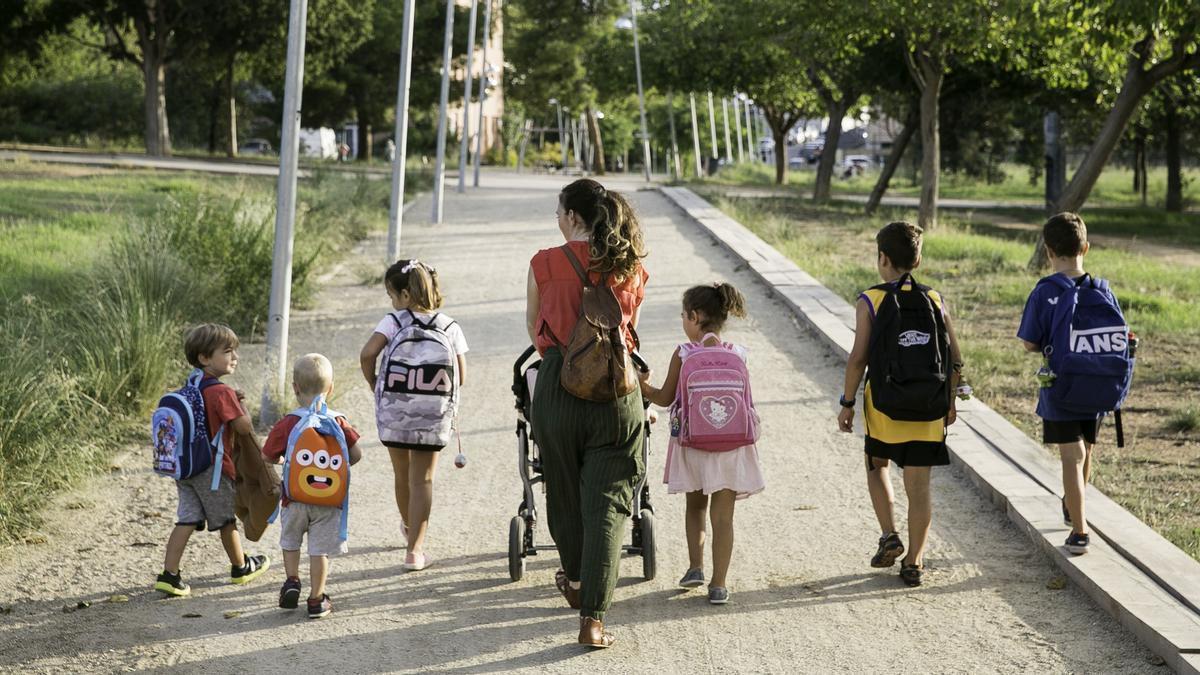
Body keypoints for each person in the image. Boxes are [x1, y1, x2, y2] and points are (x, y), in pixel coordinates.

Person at [524, 178, 648, 648]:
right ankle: (593, 620)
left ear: (573, 217)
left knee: (563, 492)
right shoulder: (629, 264)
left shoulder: (544, 263)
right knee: (609, 504)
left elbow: (533, 326)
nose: (556, 221)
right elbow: (630, 327)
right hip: (616, 391)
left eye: (559, 213)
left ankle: (574, 581)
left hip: (558, 387)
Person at [837, 222, 963, 587]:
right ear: (918, 259)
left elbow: (858, 359)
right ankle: (915, 561)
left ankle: (890, 533)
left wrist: (847, 403)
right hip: (927, 411)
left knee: (876, 465)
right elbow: (955, 358)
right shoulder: (935, 300)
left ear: (883, 259)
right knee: (919, 486)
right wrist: (950, 400)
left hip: (884, 408)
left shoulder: (871, 300)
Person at [639, 283, 765, 605]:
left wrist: (642, 387)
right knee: (724, 518)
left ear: (694, 317)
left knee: (695, 507)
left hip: (694, 444)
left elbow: (666, 398)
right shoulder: (738, 354)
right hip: (731, 445)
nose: (682, 320)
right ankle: (719, 584)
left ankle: (695, 567)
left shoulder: (684, 353)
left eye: (684, 315)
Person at [1018, 212, 1125, 556]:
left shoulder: (1044, 292)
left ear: (1048, 250)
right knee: (1086, 450)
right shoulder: (1103, 290)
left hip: (1061, 388)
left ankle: (1079, 532)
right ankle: (1072, 505)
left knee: (1070, 458)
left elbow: (1030, 342)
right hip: (1098, 384)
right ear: (1086, 248)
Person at [360, 259, 468, 572]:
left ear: (405, 295)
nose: (392, 302)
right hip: (432, 412)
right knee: (423, 479)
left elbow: (368, 354)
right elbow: (461, 375)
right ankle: (415, 551)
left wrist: (375, 383)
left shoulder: (393, 322)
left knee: (401, 473)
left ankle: (408, 526)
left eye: (392, 295)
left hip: (396, 408)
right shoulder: (449, 326)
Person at [154, 324, 269, 597]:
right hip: (213, 470)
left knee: (187, 519)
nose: (234, 357)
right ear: (205, 358)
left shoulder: (191, 385)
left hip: (186, 468)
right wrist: (242, 406)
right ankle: (241, 567)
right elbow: (243, 427)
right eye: (227, 351)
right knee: (226, 520)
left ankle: (169, 575)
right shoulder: (222, 392)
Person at [263, 354, 362, 619]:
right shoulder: (339, 421)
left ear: (294, 387)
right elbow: (356, 455)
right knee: (319, 551)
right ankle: (317, 600)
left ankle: (292, 580)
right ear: (331, 388)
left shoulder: (289, 422)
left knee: (291, 541)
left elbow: (267, 455)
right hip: (328, 502)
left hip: (294, 498)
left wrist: (286, 460)